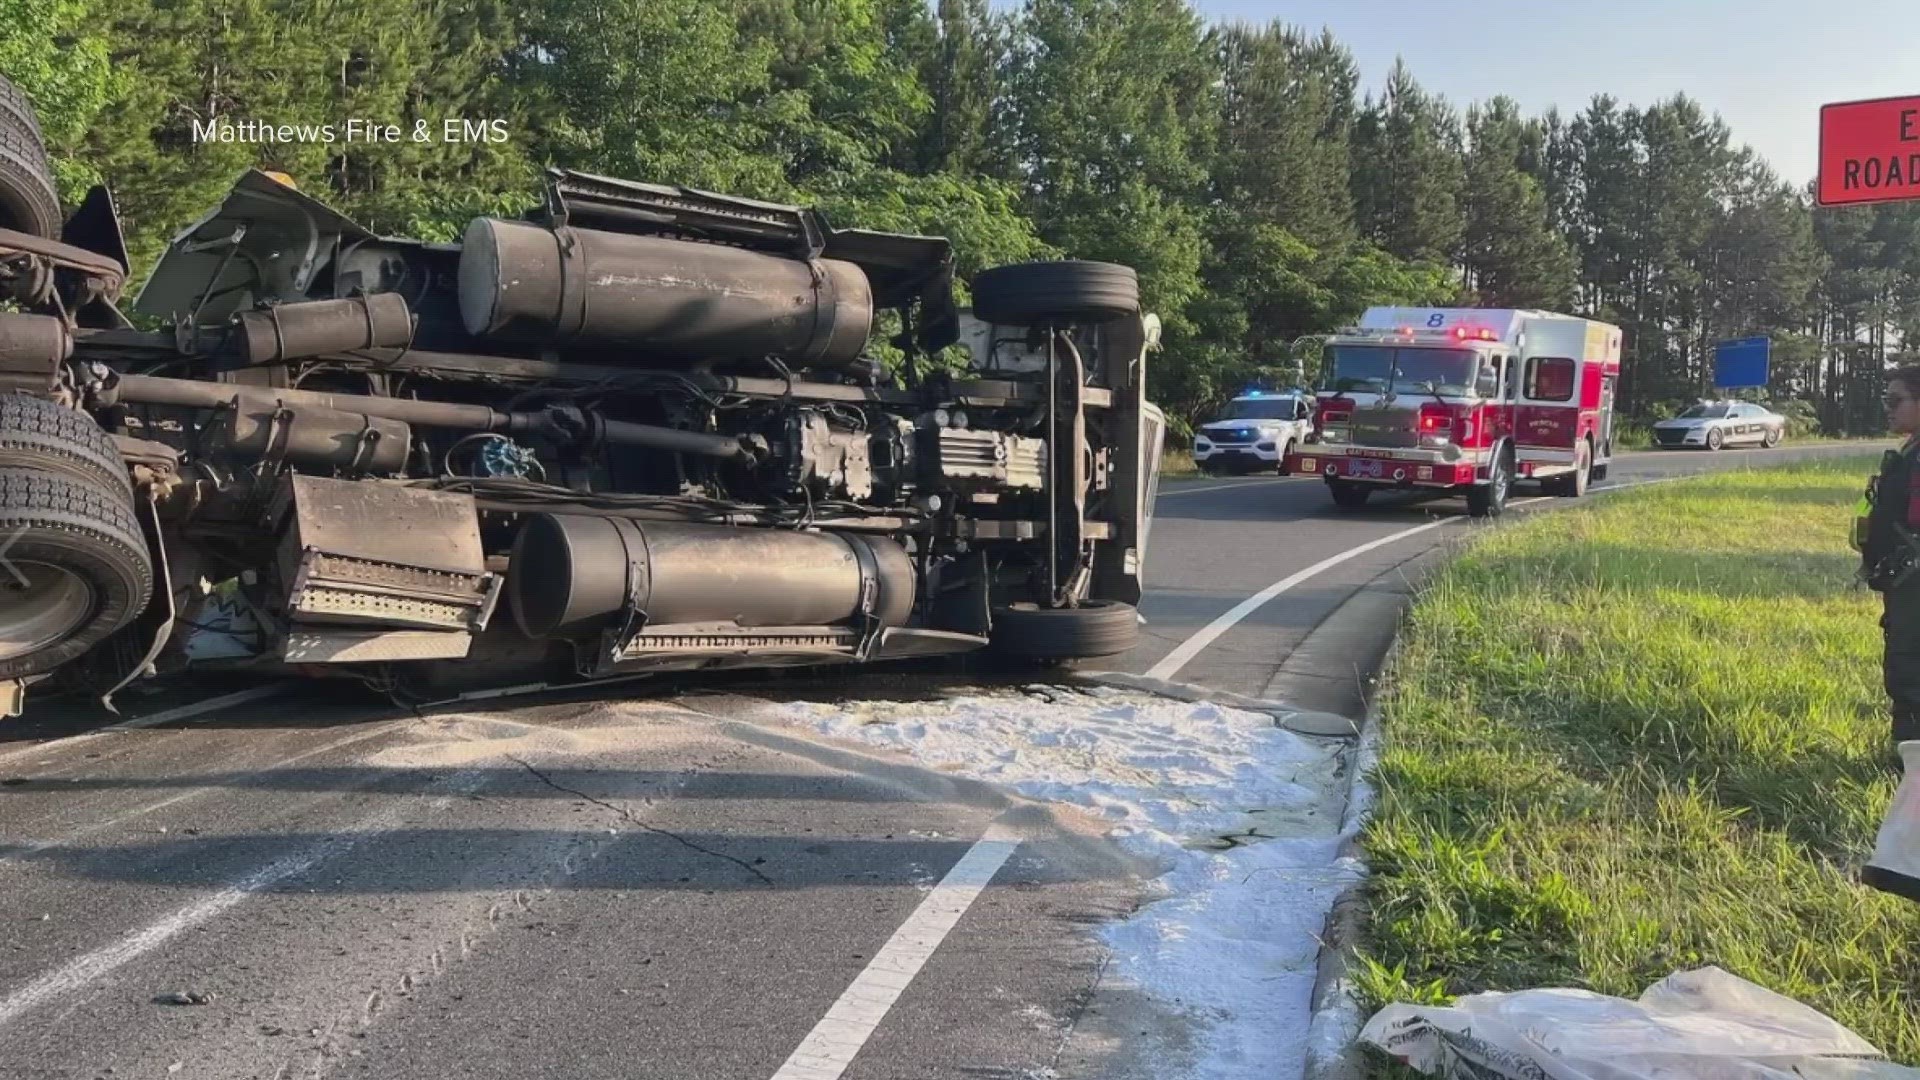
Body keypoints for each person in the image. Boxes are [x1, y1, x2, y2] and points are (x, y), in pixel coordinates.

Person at [1856, 367, 1920, 753]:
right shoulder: (1910, 450)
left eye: (1897, 401)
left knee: (1908, 670)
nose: (1888, 408)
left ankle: (1910, 767)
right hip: (1903, 582)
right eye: (1886, 400)